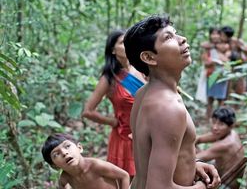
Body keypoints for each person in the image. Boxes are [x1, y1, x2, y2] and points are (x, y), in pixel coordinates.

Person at [124, 15, 221, 189]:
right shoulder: (168, 107)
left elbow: (149, 162)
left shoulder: (143, 94)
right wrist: (200, 187)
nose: (182, 39)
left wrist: (193, 163)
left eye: (176, 34)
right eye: (168, 37)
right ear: (149, 57)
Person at [82, 29, 146, 177]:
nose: (128, 45)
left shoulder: (143, 69)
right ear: (113, 50)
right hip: (124, 137)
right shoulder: (110, 78)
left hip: (149, 133)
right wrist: (112, 122)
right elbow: (88, 111)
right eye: (123, 42)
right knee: (128, 180)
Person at [42, 133, 130, 189]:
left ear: (79, 148)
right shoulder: (65, 178)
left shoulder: (96, 166)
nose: (64, 153)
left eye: (67, 146)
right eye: (56, 154)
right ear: (54, 166)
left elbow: (124, 176)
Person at [196, 107, 245, 189]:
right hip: (221, 175)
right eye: (214, 122)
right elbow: (199, 139)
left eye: (221, 124)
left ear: (231, 126)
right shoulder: (230, 133)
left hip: (225, 185)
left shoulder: (226, 144)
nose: (215, 127)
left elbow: (194, 159)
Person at [205, 40, 231, 120]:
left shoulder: (228, 54)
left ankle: (220, 119)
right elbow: (206, 63)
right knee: (210, 99)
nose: (223, 46)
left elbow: (229, 67)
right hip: (212, 77)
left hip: (222, 79)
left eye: (225, 43)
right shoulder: (211, 52)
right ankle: (208, 118)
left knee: (221, 100)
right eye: (220, 43)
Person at [220, 26, 247, 96]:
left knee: (239, 87)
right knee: (228, 88)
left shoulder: (236, 41)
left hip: (238, 66)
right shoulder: (222, 43)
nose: (221, 37)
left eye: (223, 35)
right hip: (228, 67)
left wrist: (240, 48)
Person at [196, 28, 221, 104]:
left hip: (221, 75)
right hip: (210, 74)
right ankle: (208, 116)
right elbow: (205, 61)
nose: (215, 36)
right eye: (213, 34)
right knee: (210, 99)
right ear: (210, 35)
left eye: (217, 34)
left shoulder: (223, 46)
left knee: (221, 99)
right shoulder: (207, 46)